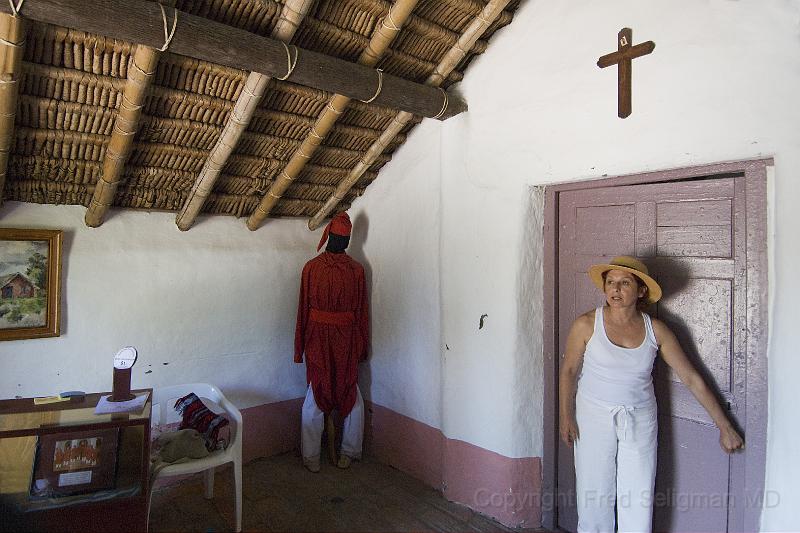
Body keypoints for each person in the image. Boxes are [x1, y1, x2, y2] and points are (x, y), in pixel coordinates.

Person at [559, 256, 744, 533]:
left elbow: (692, 378)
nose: (616, 289)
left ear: (641, 290)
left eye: (624, 283)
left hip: (640, 419)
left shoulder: (655, 330)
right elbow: (569, 371)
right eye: (610, 282)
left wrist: (724, 426)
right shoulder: (586, 325)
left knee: (638, 496)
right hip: (592, 416)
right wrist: (566, 416)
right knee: (594, 493)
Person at [295, 212, 369, 472]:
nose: (341, 242)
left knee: (350, 393)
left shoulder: (356, 271)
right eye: (338, 238)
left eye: (343, 239)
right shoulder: (312, 268)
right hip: (319, 338)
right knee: (317, 393)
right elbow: (303, 309)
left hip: (345, 340)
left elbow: (361, 311)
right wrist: (300, 346)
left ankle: (347, 449)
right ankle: (312, 455)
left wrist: (361, 345)